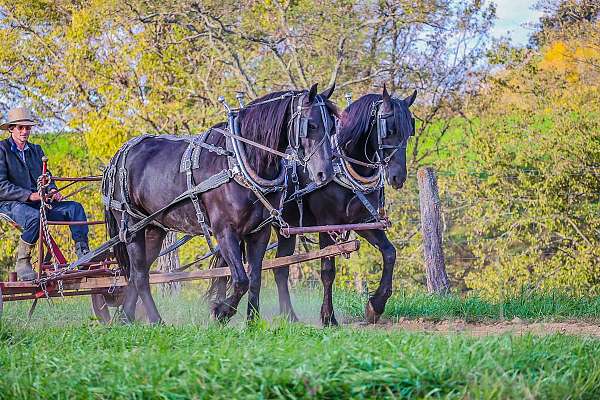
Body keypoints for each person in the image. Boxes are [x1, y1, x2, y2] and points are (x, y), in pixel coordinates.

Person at [0, 107, 89, 280]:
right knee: (35, 218)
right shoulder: (2, 150)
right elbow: (1, 186)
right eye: (20, 127)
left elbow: (46, 176)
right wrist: (29, 195)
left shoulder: (36, 150)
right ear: (11, 129)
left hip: (38, 203)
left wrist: (53, 189)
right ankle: (22, 262)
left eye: (28, 128)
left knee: (75, 209)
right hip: (11, 204)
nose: (25, 131)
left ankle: (83, 252)